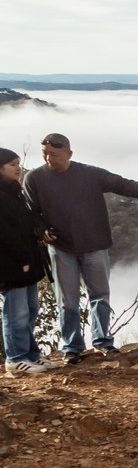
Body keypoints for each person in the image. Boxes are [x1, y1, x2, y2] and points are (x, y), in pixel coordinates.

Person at [23, 132, 138, 364]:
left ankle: (103, 342)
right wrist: (42, 230)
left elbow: (123, 185)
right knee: (67, 301)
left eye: (54, 155)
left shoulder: (89, 174)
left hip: (94, 245)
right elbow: (31, 212)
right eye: (45, 154)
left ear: (69, 153)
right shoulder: (34, 179)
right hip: (61, 247)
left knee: (99, 297)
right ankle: (72, 348)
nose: (49, 159)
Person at [0, 149, 54, 376]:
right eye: (12, 164)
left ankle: (31, 355)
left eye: (18, 163)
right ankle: (16, 359)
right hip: (11, 266)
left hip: (28, 262)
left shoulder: (14, 192)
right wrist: (22, 260)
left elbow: (26, 223)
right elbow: (6, 235)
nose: (18, 168)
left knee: (30, 310)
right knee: (16, 312)